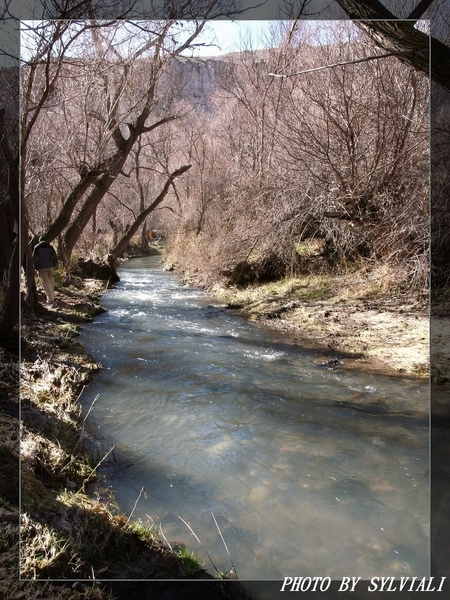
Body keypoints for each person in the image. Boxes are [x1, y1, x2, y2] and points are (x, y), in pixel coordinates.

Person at [32, 235, 58, 304]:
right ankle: (52, 297)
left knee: (46, 283)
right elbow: (55, 256)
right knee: (51, 282)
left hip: (42, 267)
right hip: (50, 266)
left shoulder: (36, 247)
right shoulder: (50, 247)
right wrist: (54, 264)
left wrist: (36, 266)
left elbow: (34, 258)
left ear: (39, 240)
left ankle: (50, 300)